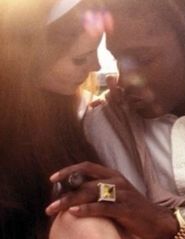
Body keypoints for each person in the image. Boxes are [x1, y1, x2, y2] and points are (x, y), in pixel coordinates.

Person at [46, 0, 185, 238]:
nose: (125, 80)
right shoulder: (104, 126)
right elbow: (103, 207)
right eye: (118, 60)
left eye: (143, 59)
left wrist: (166, 222)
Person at [0, 0, 122, 238]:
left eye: (97, 51)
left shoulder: (78, 114)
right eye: (80, 58)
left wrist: (110, 193)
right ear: (29, 59)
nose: (96, 66)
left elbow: (105, 196)